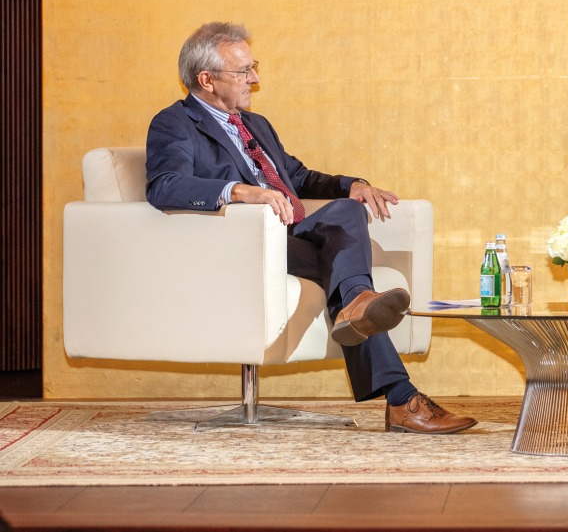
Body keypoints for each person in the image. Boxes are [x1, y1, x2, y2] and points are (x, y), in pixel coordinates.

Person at [145, 21, 476, 434]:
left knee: (345, 215)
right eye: (243, 71)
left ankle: (385, 367)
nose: (255, 78)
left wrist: (351, 185)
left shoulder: (255, 123)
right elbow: (165, 186)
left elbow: (296, 176)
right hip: (240, 245)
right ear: (206, 79)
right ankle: (398, 393)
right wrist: (241, 192)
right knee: (340, 254)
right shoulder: (174, 123)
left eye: (254, 66)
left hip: (288, 239)